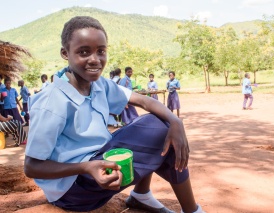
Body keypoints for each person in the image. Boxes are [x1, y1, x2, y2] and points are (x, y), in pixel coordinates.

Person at [24, 16, 204, 213]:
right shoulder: (52, 102)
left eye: (101, 51)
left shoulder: (98, 84)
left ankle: (142, 195)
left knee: (162, 124)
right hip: (73, 191)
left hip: (97, 165)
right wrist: (85, 167)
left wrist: (175, 120)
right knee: (160, 131)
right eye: (83, 52)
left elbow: (144, 100)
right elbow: (31, 167)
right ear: (65, 53)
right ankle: (191, 210)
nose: (95, 59)